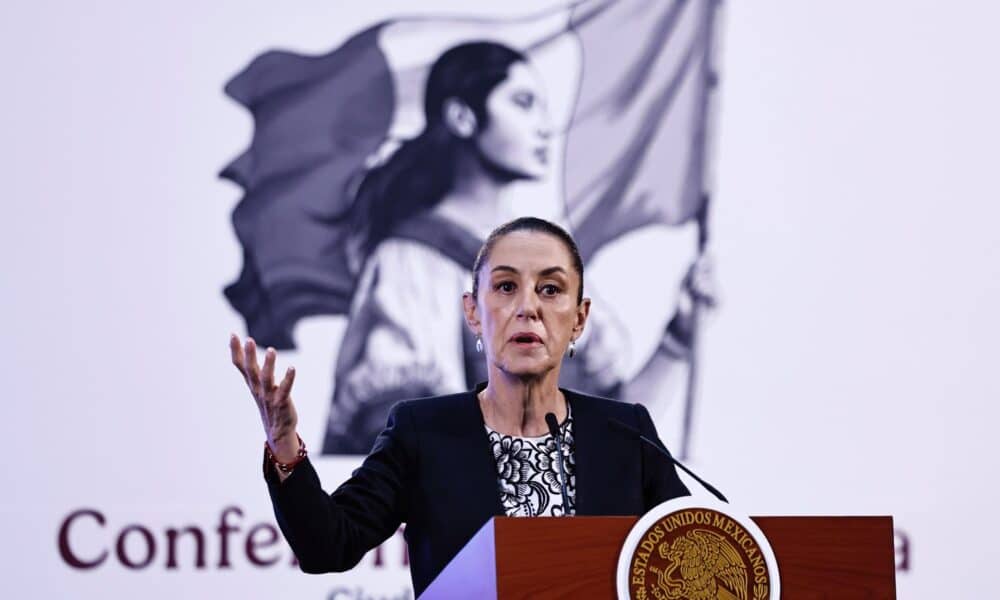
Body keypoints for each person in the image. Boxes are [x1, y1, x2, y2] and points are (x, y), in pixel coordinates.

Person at [230, 217, 690, 597]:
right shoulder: (423, 431)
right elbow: (328, 546)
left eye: (550, 289)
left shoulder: (625, 433)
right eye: (506, 287)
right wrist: (284, 444)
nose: (528, 308)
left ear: (580, 318)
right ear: (473, 312)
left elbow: (692, 557)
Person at [323, 40, 709, 454]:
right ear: (462, 117)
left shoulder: (552, 259)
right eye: (523, 103)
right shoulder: (414, 261)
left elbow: (615, 447)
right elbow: (410, 446)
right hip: (475, 518)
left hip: (561, 517)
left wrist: (678, 337)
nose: (544, 126)